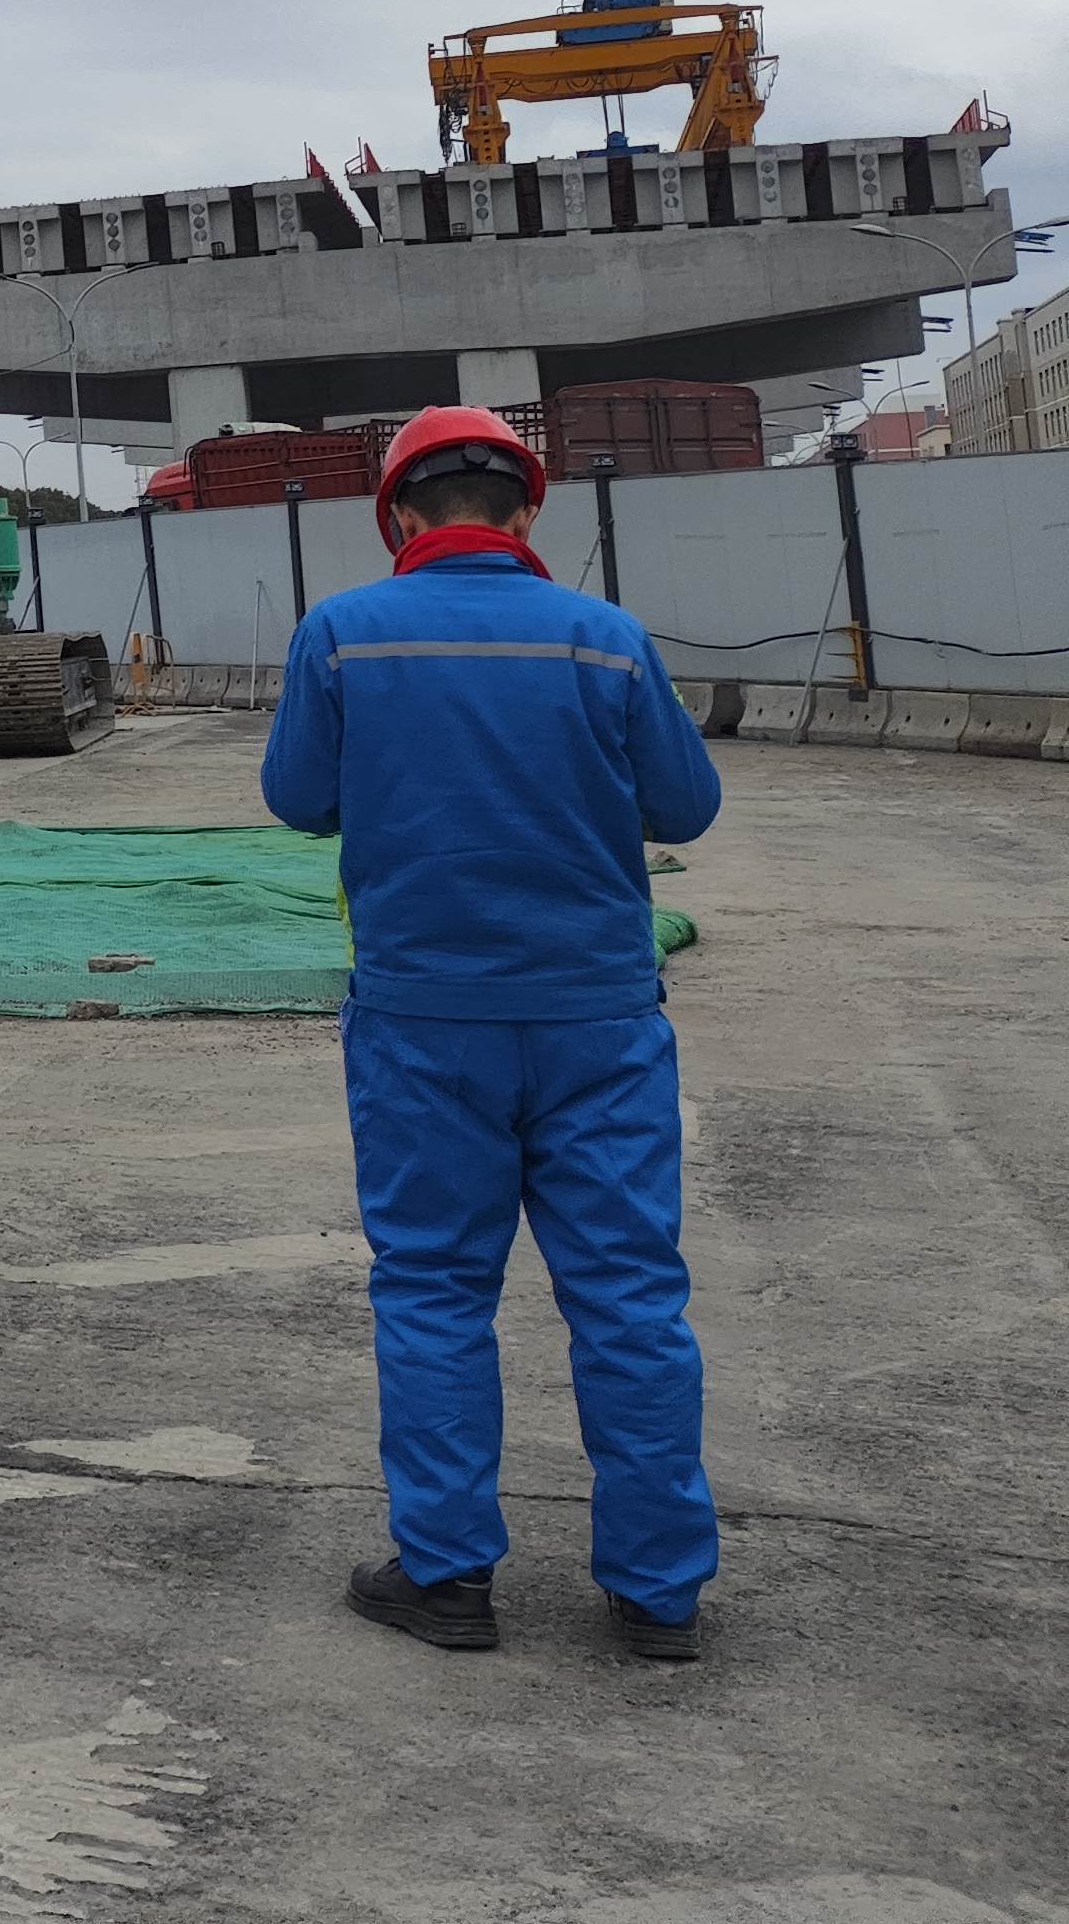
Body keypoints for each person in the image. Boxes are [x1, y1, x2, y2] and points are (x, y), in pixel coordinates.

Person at [264, 405, 724, 1662]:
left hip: (423, 1021)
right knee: (628, 1298)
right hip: (598, 1021)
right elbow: (687, 804)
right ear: (526, 512)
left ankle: (448, 1574)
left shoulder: (341, 634)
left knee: (431, 1290)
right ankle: (660, 1595)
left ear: (397, 517)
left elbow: (297, 798)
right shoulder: (606, 638)